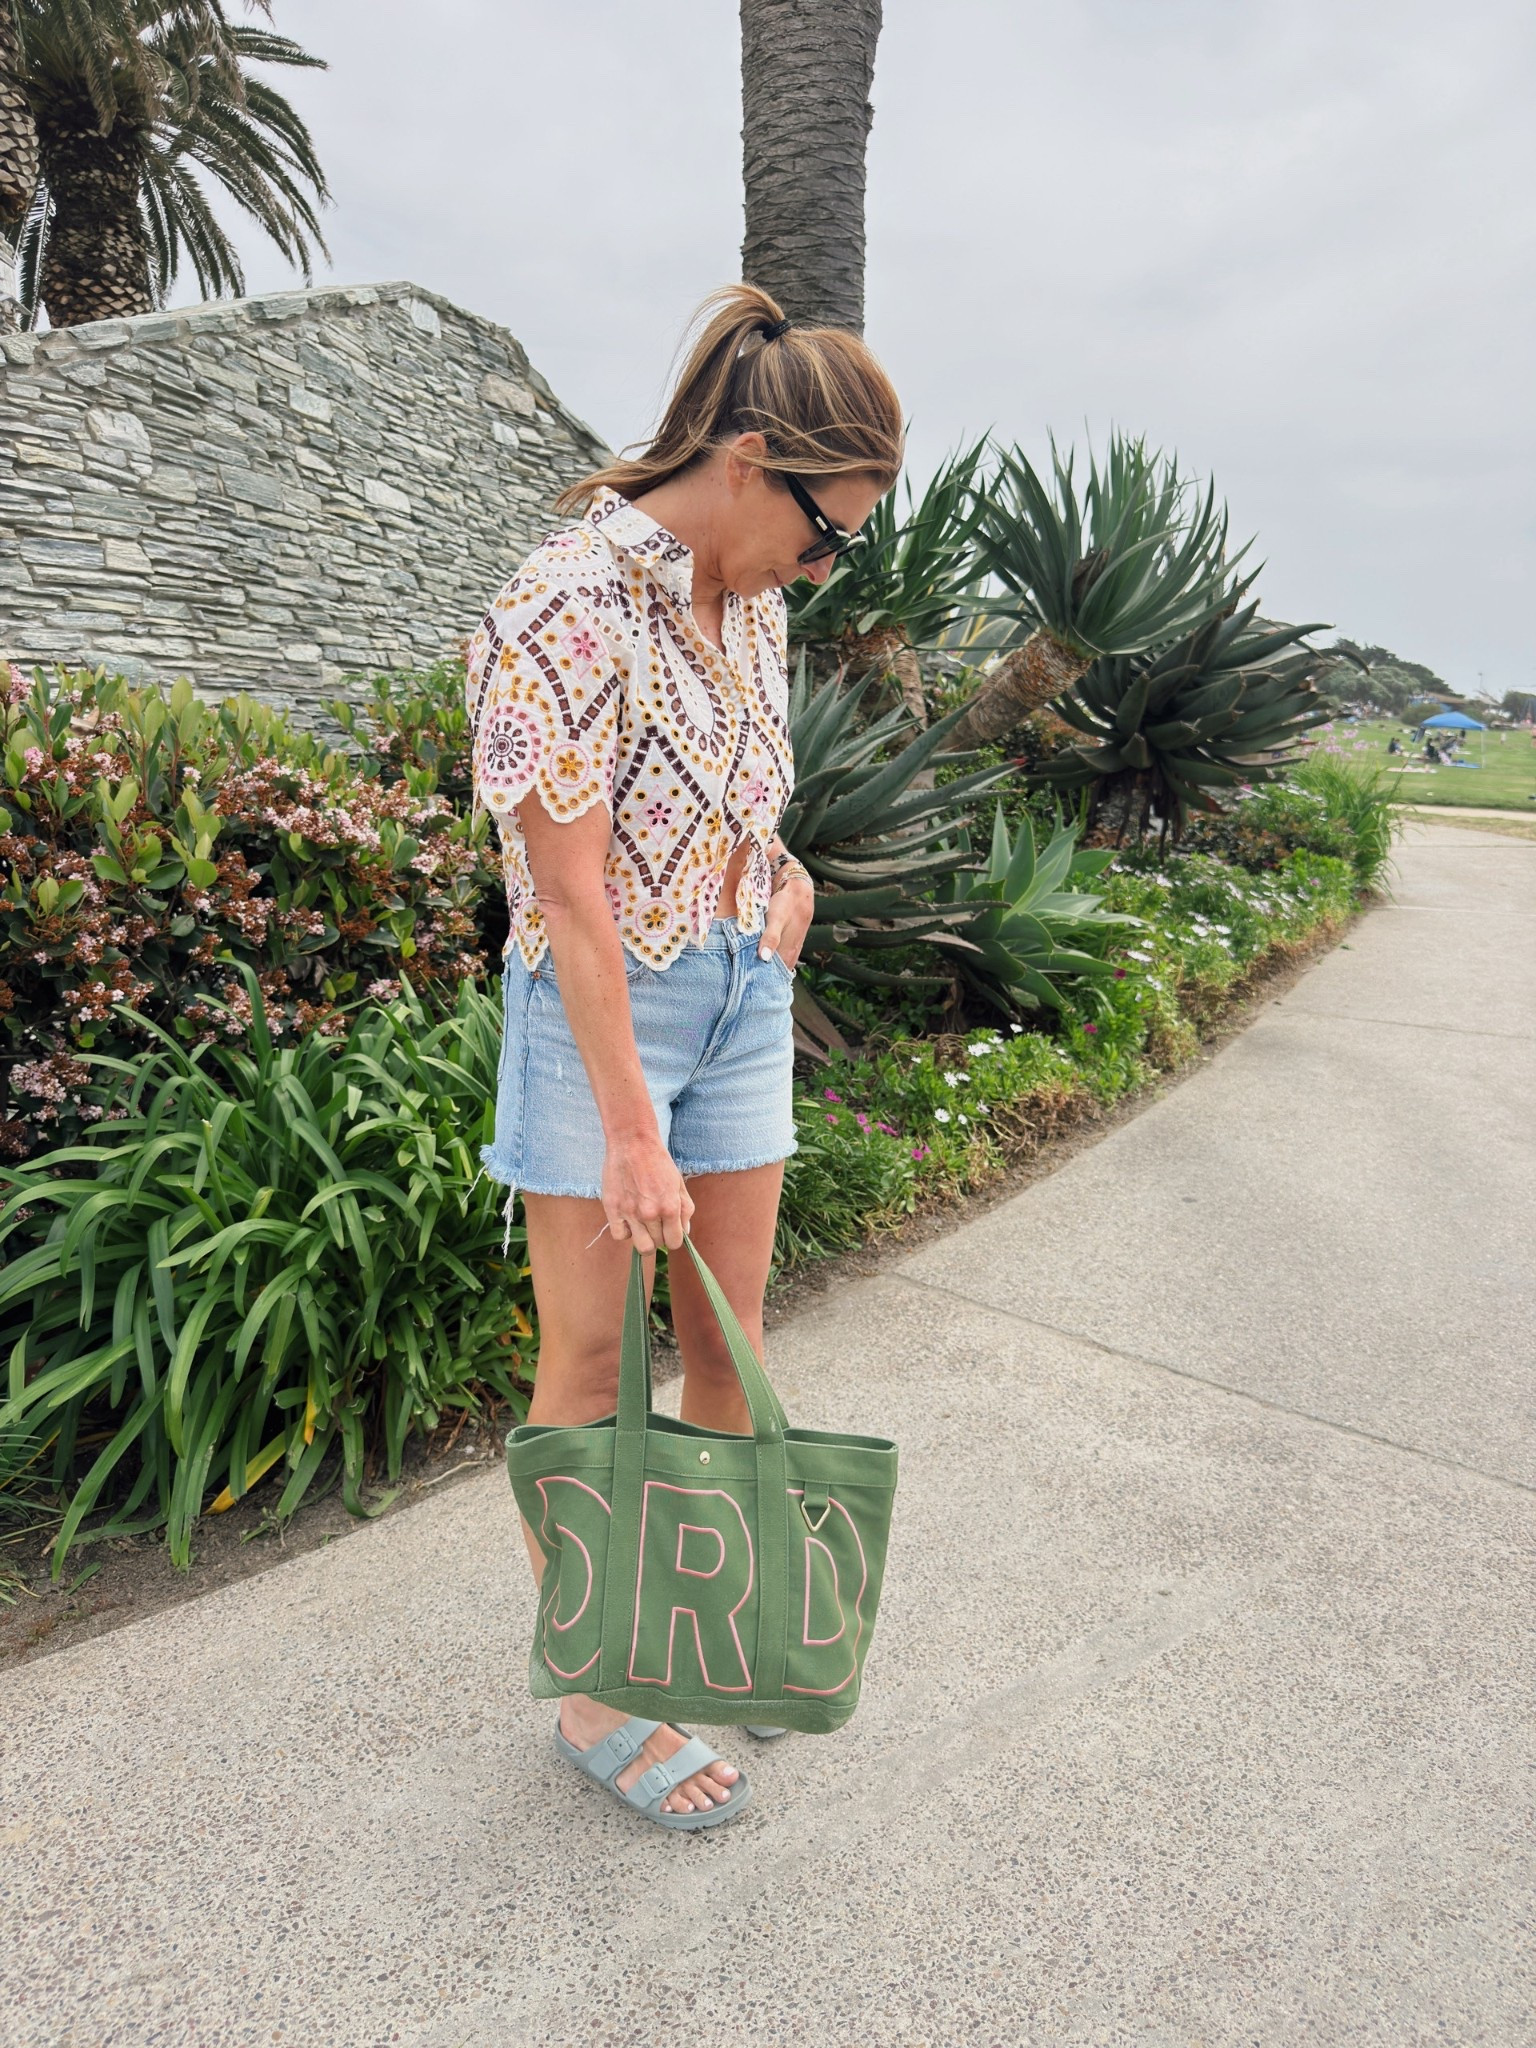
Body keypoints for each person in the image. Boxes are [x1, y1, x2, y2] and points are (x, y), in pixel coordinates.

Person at [464, 285, 903, 1830]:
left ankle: (706, 1628)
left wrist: (781, 873)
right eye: (827, 530)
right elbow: (570, 896)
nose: (828, 565)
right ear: (751, 458)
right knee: (593, 1365)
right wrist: (631, 1132)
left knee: (729, 1344)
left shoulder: (756, 605)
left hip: (739, 992)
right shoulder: (564, 606)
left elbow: (731, 798)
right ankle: (597, 1692)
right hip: (603, 1017)